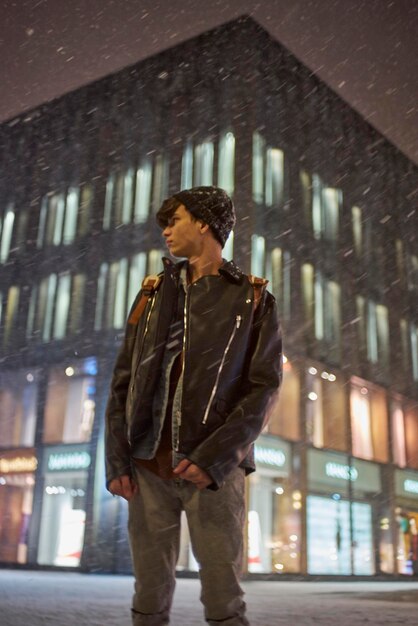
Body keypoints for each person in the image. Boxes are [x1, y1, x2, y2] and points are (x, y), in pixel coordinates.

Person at [105, 186, 282, 626]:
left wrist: (215, 459)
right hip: (147, 466)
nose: (165, 230)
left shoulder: (253, 297)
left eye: (174, 220)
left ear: (204, 222)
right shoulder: (150, 295)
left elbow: (264, 387)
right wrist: (117, 461)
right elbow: (122, 382)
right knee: (148, 593)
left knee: (223, 597)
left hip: (215, 473)